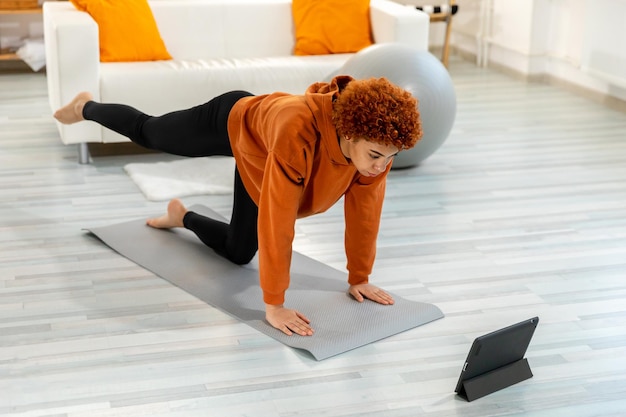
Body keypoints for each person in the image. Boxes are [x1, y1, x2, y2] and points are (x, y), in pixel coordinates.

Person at [54, 75, 422, 337]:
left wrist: (360, 276)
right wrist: (275, 304)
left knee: (239, 252)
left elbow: (365, 214)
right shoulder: (298, 132)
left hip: (262, 158)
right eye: (375, 155)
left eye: (390, 158)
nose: (380, 165)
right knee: (150, 132)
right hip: (232, 119)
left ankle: (180, 216)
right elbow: (278, 221)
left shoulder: (376, 153)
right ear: (350, 133)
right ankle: (85, 106)